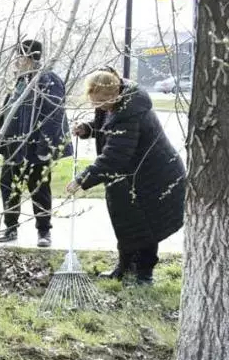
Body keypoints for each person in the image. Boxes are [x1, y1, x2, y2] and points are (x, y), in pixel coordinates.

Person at [66, 68, 184, 285]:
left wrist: (83, 179)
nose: (98, 106)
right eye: (94, 101)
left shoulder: (130, 112)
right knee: (126, 222)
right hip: (130, 174)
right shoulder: (114, 104)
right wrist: (88, 129)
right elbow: (109, 127)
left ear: (115, 94)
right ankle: (125, 268)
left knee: (146, 225)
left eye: (101, 101)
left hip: (154, 175)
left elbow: (115, 156)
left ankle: (144, 275)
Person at [0, 39, 70, 247]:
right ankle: (10, 228)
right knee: (9, 186)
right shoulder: (21, 80)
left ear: (29, 58)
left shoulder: (47, 81)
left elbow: (53, 115)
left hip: (35, 147)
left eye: (19, 57)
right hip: (14, 147)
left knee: (39, 188)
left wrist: (45, 147)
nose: (16, 61)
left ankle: (44, 231)